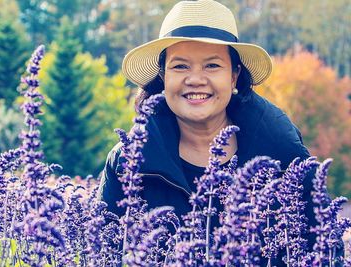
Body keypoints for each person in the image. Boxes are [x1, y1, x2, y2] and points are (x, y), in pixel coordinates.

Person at [98, 0, 319, 264]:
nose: (195, 79)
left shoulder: (285, 157)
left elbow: (326, 253)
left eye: (212, 66)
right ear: (163, 76)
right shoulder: (128, 162)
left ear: (234, 75)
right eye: (180, 66)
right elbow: (101, 254)